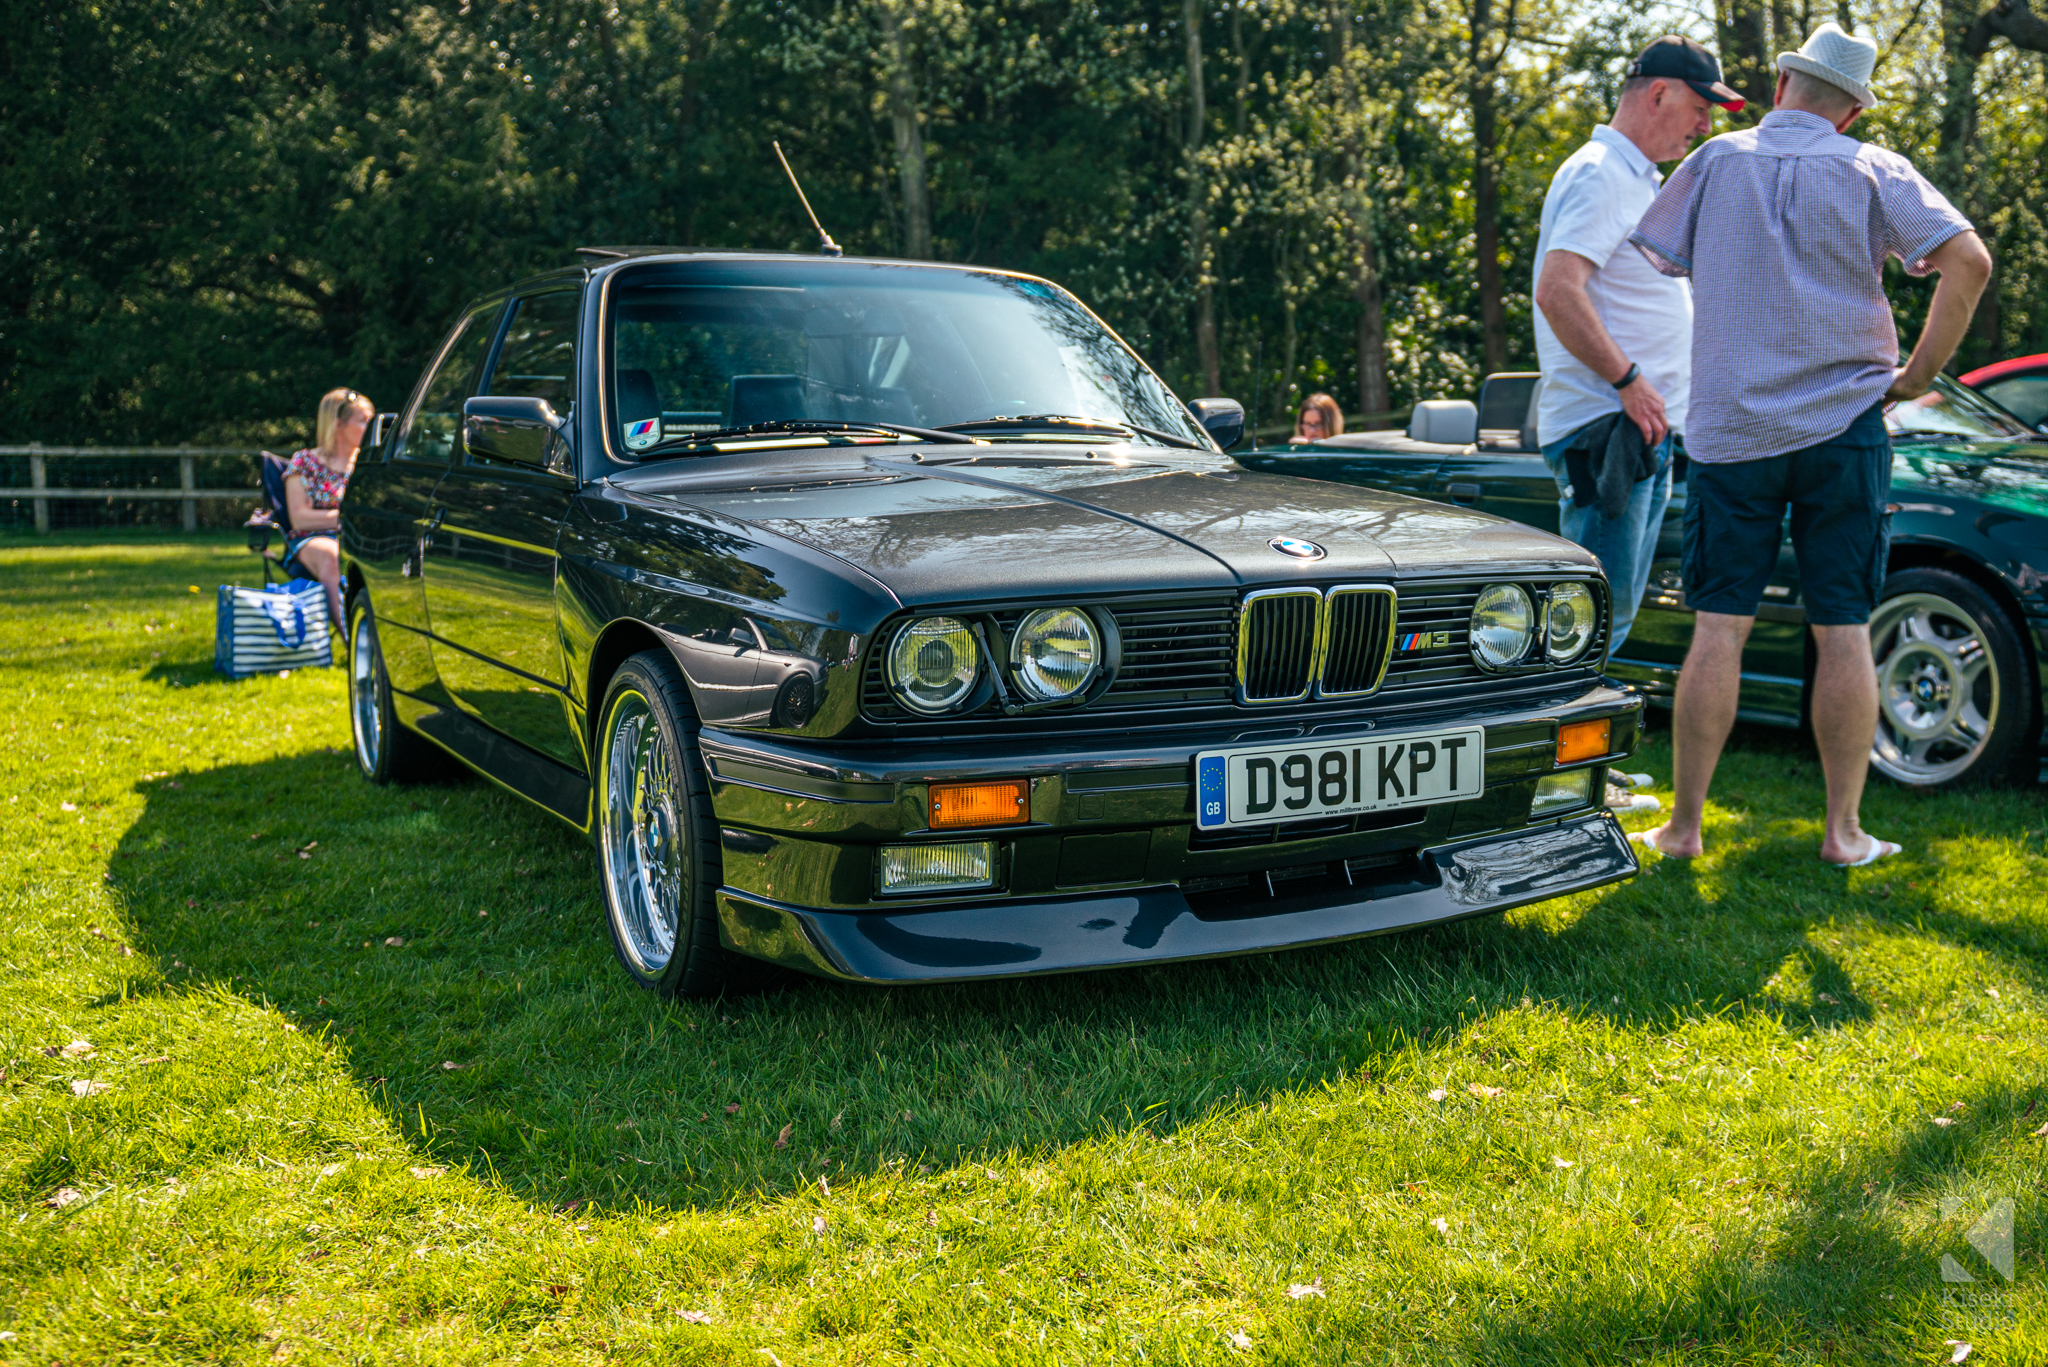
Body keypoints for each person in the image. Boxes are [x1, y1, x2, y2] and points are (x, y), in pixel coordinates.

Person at [1626, 22, 1992, 867]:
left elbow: (1661, 256)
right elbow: (1967, 261)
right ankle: (1843, 832)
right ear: (1853, 111)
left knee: (1718, 630)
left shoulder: (1715, 162)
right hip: (1845, 428)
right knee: (1845, 628)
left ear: (1785, 86)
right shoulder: (1873, 169)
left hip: (1733, 433)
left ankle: (1683, 829)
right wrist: (1914, 372)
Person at [1531, 35, 1741, 661]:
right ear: (1658, 93)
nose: (1704, 126)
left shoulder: (1636, 179)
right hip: (1608, 429)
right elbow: (1557, 290)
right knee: (1586, 623)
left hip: (1638, 428)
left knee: (1606, 617)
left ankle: (1589, 763)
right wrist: (1628, 381)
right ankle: (1566, 760)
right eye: (1701, 108)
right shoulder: (1600, 173)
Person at [284, 387, 374, 634]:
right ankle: (352, 641)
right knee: (332, 554)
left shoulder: (369, 464)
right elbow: (299, 518)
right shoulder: (304, 462)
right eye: (364, 421)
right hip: (312, 540)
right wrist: (348, 519)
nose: (373, 429)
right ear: (338, 424)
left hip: (359, 537)